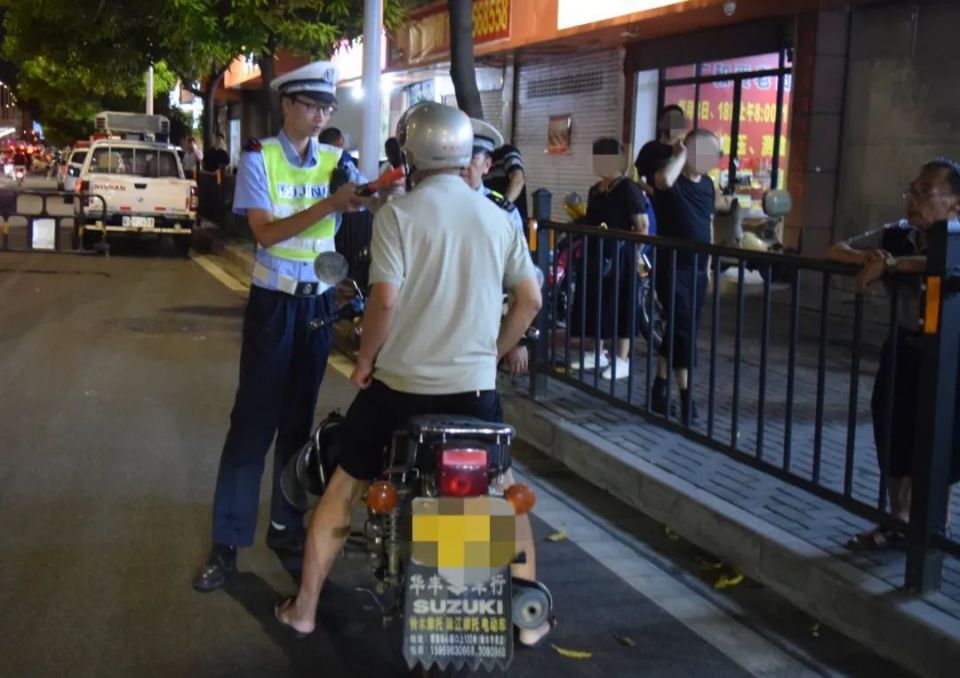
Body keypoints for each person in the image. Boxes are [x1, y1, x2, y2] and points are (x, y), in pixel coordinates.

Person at [273, 102, 552, 647]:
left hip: (399, 391)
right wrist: (492, 353)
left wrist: (365, 361)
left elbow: (384, 301)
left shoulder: (398, 215)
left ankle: (304, 609)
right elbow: (530, 299)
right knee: (504, 487)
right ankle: (531, 622)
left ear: (408, 154)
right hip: (474, 394)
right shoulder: (497, 218)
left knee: (344, 487)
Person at [192, 60, 371, 592]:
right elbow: (266, 234)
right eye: (312, 105)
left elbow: (360, 209)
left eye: (327, 108)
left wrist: (366, 193)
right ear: (287, 105)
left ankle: (285, 530)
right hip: (273, 306)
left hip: (316, 308)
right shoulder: (259, 158)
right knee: (251, 423)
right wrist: (332, 203)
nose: (320, 115)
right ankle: (226, 544)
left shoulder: (341, 160)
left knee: (298, 425)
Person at [827, 159, 960, 550]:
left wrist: (891, 264)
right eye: (912, 190)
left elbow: (942, 264)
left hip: (951, 354)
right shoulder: (898, 233)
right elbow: (836, 248)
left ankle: (934, 527)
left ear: (956, 203)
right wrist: (868, 260)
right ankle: (900, 520)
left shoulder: (953, 238)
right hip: (903, 346)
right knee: (892, 428)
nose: (914, 199)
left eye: (926, 192)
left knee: (941, 438)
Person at [652, 128, 723, 423]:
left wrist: (708, 267)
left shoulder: (708, 185)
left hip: (697, 269)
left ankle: (659, 388)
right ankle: (685, 397)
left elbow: (709, 223)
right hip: (672, 266)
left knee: (681, 329)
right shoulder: (670, 180)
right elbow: (664, 180)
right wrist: (679, 153)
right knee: (684, 331)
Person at [568, 138, 650, 381]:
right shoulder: (595, 190)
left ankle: (622, 359)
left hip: (622, 256)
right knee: (597, 302)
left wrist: (634, 255)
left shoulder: (628, 188)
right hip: (597, 255)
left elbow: (642, 226)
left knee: (622, 306)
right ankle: (597, 352)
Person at [467, 117, 529, 377]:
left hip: (484, 324)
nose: (463, 168)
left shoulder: (502, 212)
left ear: (487, 165)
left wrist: (514, 339)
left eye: (472, 160)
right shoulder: (431, 203)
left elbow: (519, 284)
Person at [635, 105, 687, 198]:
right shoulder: (649, 149)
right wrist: (653, 193)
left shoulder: (685, 151)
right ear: (660, 123)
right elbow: (636, 179)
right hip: (653, 206)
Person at [485, 141, 528, 222]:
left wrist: (502, 207)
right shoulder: (477, 159)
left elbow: (518, 180)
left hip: (511, 219)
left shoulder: (507, 152)